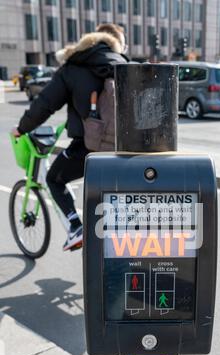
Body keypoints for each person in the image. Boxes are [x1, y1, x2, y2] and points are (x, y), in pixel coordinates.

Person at [12, 24, 129, 251]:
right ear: (116, 43)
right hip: (124, 148)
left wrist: (22, 128)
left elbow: (45, 104)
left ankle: (75, 227)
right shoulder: (124, 65)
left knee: (54, 178)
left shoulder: (73, 66)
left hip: (89, 147)